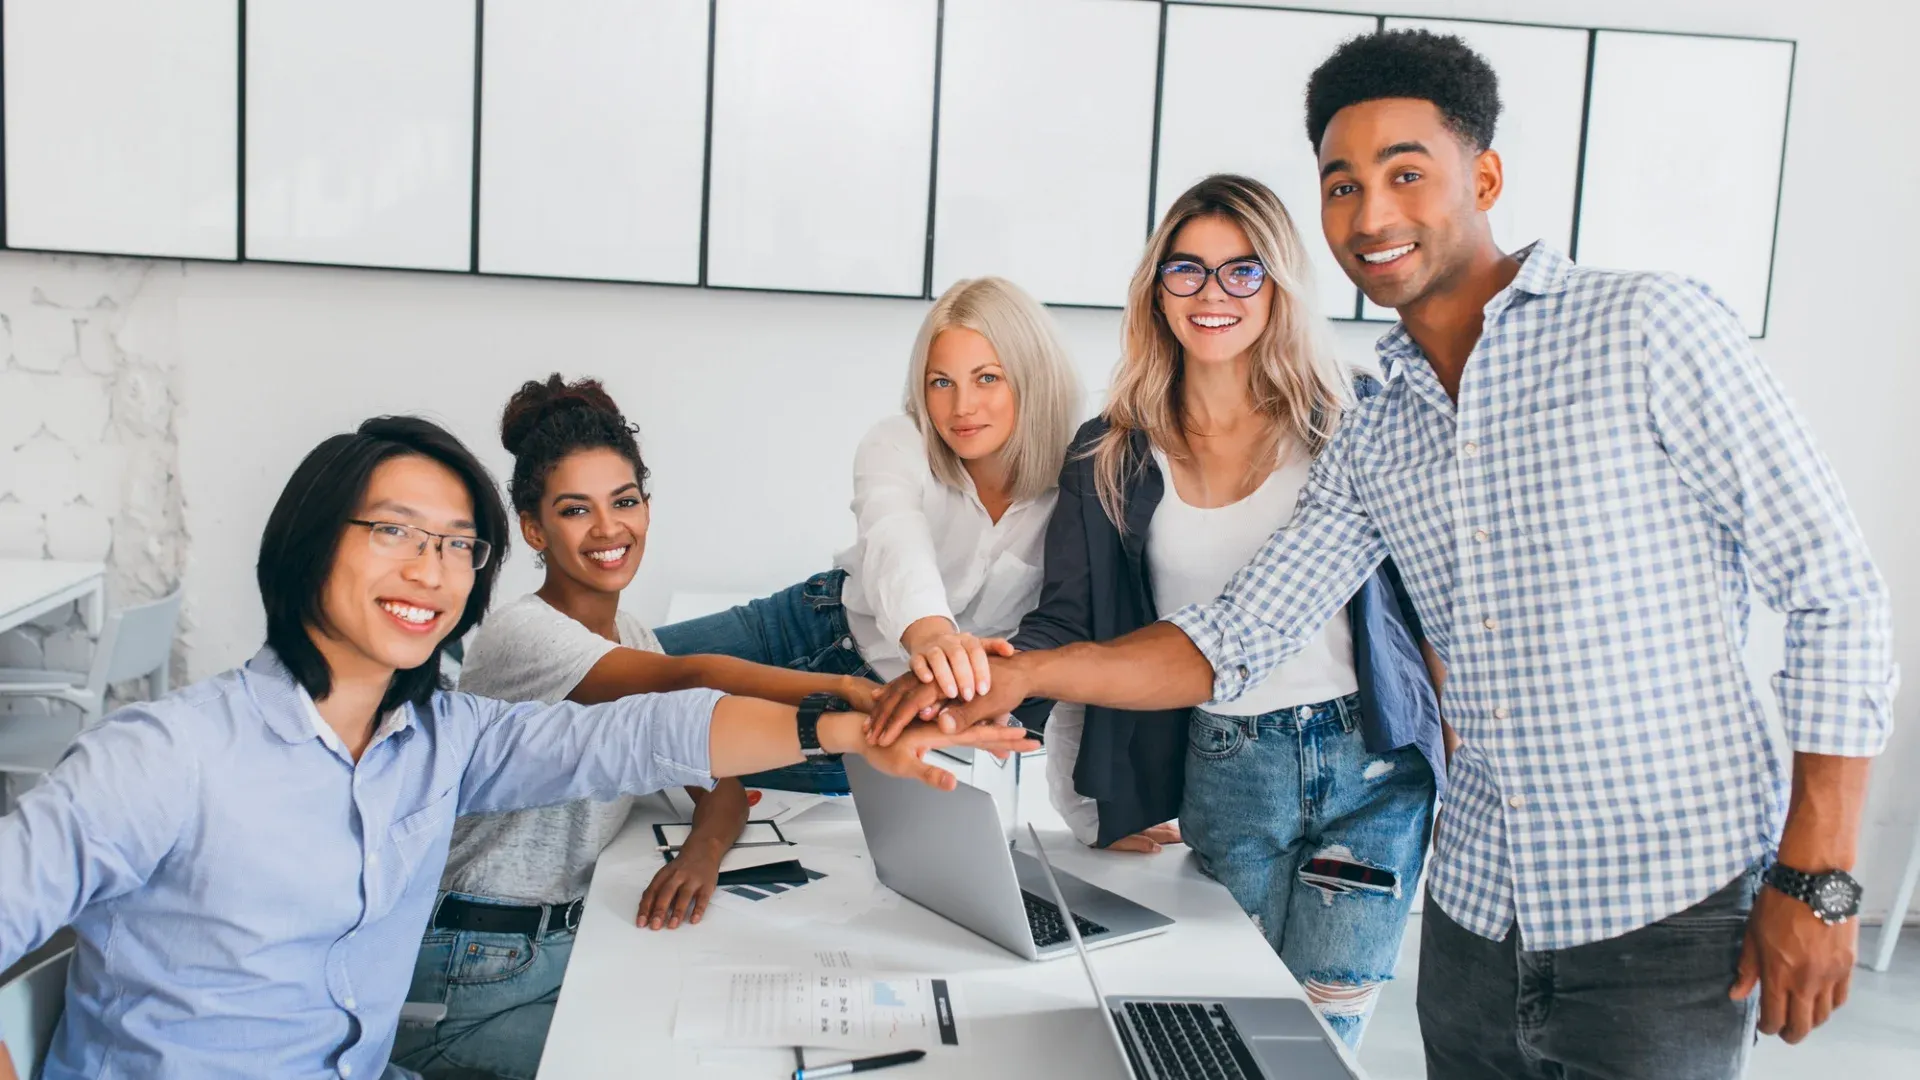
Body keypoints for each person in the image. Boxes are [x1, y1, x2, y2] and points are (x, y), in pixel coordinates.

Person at [871, 28, 1896, 1080]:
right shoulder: (1380, 426)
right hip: (1476, 919)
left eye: (1407, 173)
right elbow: (1234, 633)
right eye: (1342, 185)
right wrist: (1009, 673)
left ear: (1485, 174)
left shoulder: (1646, 331)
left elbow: (1834, 591)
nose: (1373, 214)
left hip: (1663, 911)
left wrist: (1817, 875)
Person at [0, 416, 1036, 1080]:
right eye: (395, 531)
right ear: (309, 542)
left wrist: (854, 730)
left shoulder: (444, 738)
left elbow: (645, 733)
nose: (432, 565)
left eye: (456, 544)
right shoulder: (165, 756)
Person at [1009, 172, 1443, 1046]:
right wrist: (1026, 737)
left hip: (1369, 770)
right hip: (1224, 766)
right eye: (1189, 270)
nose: (1215, 295)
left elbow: (1435, 599)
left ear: (1280, 286)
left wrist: (1464, 752)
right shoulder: (1109, 451)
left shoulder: (1350, 416)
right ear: (1156, 288)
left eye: (1244, 271)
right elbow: (1067, 625)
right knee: (1230, 1024)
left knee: (1324, 1036)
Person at [392, 378, 884, 1079]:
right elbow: (685, 682)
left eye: (624, 501)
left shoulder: (629, 631)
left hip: (570, 936)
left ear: (647, 507)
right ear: (534, 528)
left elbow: (716, 776)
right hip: (475, 958)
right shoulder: (522, 635)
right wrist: (839, 687)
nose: (607, 528)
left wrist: (701, 858)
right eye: (574, 510)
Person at [654, 275, 1082, 793]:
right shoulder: (898, 441)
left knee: (660, 765)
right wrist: (933, 637)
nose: (962, 406)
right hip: (805, 628)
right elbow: (893, 542)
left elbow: (1079, 637)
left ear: (1032, 378)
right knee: (602, 681)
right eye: (941, 382)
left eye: (987, 378)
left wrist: (1090, 815)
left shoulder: (1077, 486)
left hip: (889, 716)